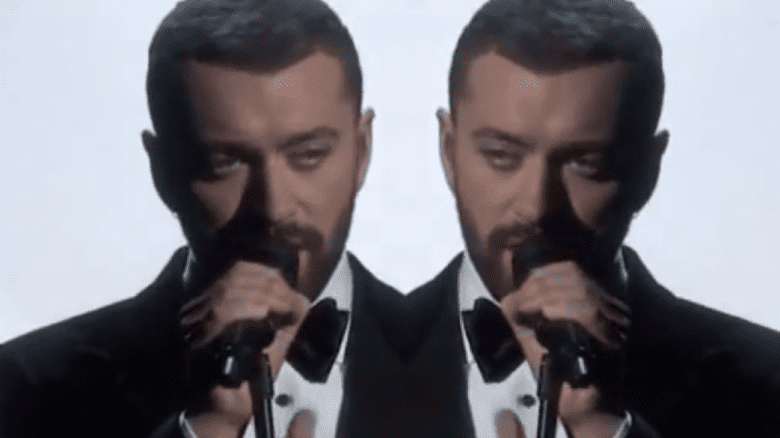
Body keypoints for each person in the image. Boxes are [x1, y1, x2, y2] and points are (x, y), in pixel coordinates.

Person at [0, 1, 412, 437]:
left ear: (362, 151)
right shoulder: (25, 387)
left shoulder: (455, 356)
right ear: (163, 172)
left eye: (308, 155)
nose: (274, 207)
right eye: (225, 164)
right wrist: (208, 427)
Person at [403, 0, 780, 437]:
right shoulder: (350, 357)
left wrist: (601, 426)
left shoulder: (766, 383)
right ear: (449, 152)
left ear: (647, 172)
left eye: (586, 164)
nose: (537, 206)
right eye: (501, 155)